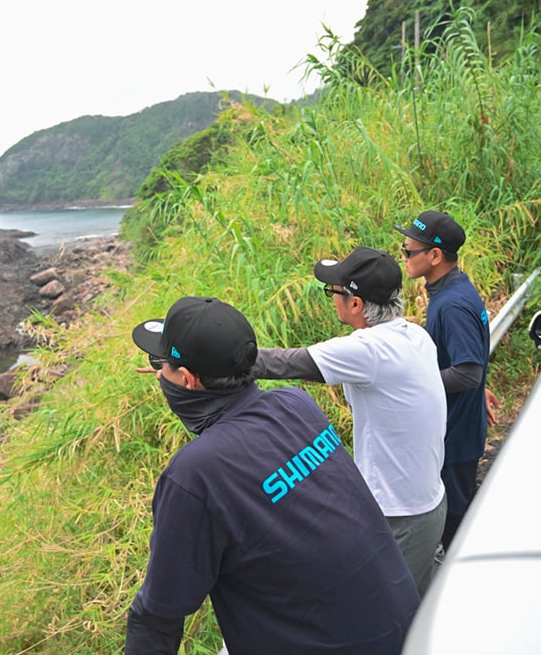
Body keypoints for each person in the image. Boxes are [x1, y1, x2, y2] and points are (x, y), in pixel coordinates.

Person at [125, 296, 419, 655]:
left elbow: (156, 616)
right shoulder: (297, 405)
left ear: (187, 379)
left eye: (162, 365)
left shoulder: (195, 474)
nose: (159, 374)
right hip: (404, 628)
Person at [251, 247, 447, 595]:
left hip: (399, 514)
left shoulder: (370, 349)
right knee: (417, 607)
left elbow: (283, 363)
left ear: (355, 304)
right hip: (426, 501)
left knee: (388, 619)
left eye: (335, 292)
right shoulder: (415, 335)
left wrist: (203, 359)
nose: (333, 299)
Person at [395, 210, 491, 552]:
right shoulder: (456, 289)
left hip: (456, 436)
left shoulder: (451, 305)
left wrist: (413, 383)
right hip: (461, 425)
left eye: (409, 251)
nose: (403, 257)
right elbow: (469, 357)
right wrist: (482, 390)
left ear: (435, 256)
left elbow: (467, 372)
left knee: (456, 526)